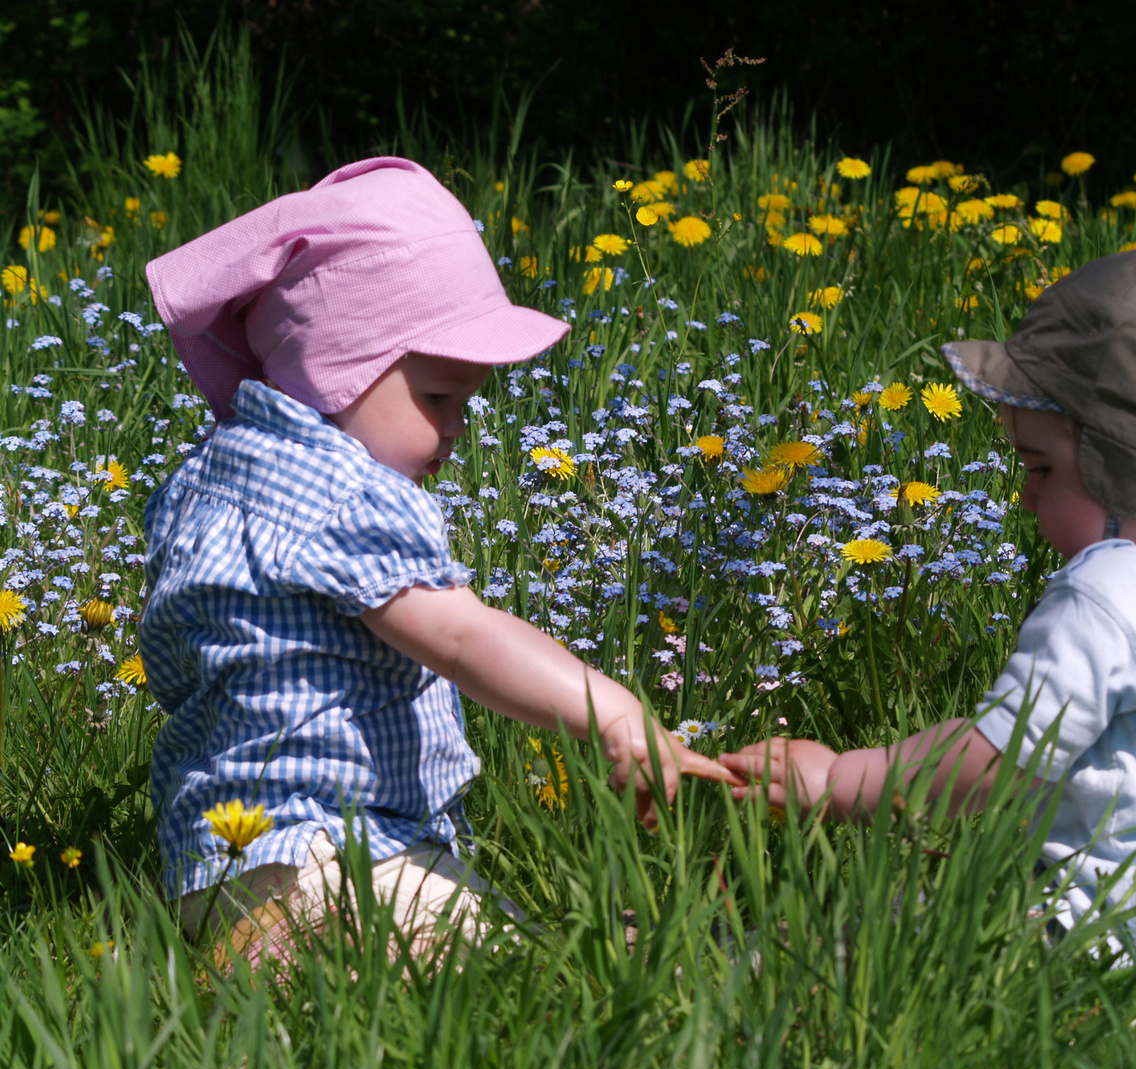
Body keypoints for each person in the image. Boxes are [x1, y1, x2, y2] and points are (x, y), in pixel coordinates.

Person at [141, 157, 736, 963]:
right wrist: (614, 711)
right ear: (340, 366)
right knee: (536, 974)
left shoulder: (216, 470)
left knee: (524, 954)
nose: (457, 426)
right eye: (440, 398)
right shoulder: (345, 495)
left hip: (219, 860)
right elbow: (460, 638)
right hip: (327, 859)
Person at [720, 246, 1136, 963]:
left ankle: (722, 960)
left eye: (1041, 468)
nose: (1025, 498)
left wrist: (840, 779)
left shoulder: (1113, 593)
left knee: (855, 940)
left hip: (1118, 937)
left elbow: (993, 764)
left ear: (1126, 461)